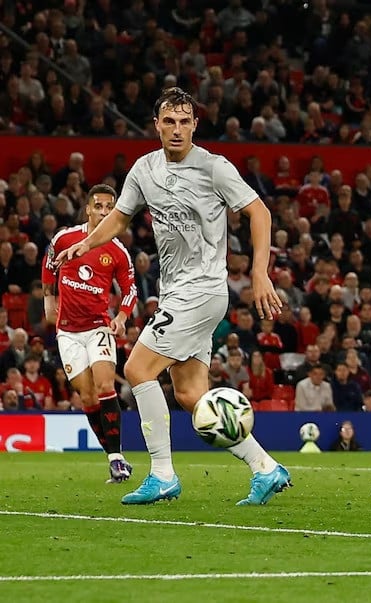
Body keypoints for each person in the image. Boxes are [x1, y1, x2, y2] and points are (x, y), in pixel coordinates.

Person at [56, 88, 291, 506]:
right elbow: (121, 217)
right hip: (175, 294)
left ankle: (162, 474)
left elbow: (260, 212)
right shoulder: (144, 169)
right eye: (170, 121)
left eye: (185, 121)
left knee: (138, 368)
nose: (177, 129)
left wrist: (259, 272)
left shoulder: (215, 168)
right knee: (189, 395)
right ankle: (266, 468)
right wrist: (87, 244)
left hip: (201, 291)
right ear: (157, 125)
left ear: (195, 125)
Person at [42, 184, 136, 483]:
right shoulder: (65, 238)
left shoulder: (118, 250)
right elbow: (49, 263)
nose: (105, 212)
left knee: (105, 384)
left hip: (98, 326)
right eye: (99, 206)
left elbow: (129, 288)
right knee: (87, 396)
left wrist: (122, 316)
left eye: (110, 207)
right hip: (67, 332)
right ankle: (112, 456)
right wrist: (48, 298)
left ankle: (117, 458)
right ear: (88, 208)